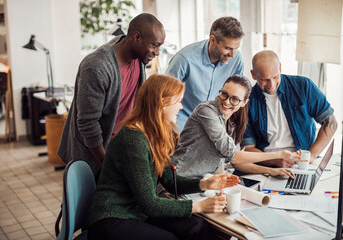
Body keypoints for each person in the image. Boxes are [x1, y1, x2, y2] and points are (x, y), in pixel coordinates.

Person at [87, 74, 240, 240]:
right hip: (112, 218)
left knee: (198, 226)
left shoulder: (154, 134)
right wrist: (198, 206)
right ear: (161, 102)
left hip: (136, 212)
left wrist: (204, 184)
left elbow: (168, 180)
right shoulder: (132, 140)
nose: (181, 107)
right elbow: (149, 204)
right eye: (178, 101)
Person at [58, 13, 166, 179]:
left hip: (119, 148)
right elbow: (87, 124)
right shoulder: (96, 67)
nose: (157, 52)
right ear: (136, 37)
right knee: (84, 203)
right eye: (154, 45)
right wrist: (107, 165)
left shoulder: (138, 59)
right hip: (92, 154)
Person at [172, 75, 301, 179]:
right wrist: (279, 154)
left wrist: (271, 171)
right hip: (178, 178)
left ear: (244, 103)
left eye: (234, 99)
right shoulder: (206, 111)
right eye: (224, 94)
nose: (226, 101)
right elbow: (234, 156)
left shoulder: (232, 123)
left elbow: (237, 163)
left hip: (200, 183)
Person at [238, 50, 337, 173]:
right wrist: (275, 160)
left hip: (303, 165)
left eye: (275, 77)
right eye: (264, 79)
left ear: (280, 67)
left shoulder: (303, 86)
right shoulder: (247, 102)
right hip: (267, 166)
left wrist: (311, 155)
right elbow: (247, 148)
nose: (271, 84)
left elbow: (331, 122)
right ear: (253, 74)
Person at [165, 16, 245, 132]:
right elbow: (164, 96)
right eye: (228, 48)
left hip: (215, 125)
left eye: (236, 48)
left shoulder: (236, 59)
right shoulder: (184, 59)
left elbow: (238, 94)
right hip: (183, 125)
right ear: (212, 40)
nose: (232, 54)